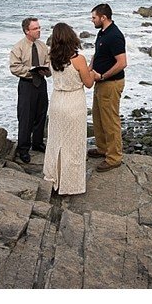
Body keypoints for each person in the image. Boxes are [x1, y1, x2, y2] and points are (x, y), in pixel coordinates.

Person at [44, 22, 94, 195]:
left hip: (57, 101)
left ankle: (53, 178)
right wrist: (91, 70)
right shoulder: (78, 59)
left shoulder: (52, 58)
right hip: (74, 103)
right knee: (73, 144)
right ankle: (71, 184)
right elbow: (88, 84)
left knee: (55, 142)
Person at [87, 3, 127, 172]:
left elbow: (122, 63)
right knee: (98, 117)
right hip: (100, 82)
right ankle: (103, 148)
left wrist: (102, 76)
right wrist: (90, 68)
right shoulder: (102, 33)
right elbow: (98, 54)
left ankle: (114, 157)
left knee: (110, 121)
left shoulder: (115, 36)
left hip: (110, 83)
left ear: (103, 18)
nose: (92, 20)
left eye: (94, 18)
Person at [9, 17, 51, 164]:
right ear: (27, 31)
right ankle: (23, 148)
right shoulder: (18, 47)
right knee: (26, 117)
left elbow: (48, 62)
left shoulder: (42, 46)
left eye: (39, 28)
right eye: (35, 28)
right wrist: (31, 71)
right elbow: (14, 67)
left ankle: (38, 143)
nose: (39, 30)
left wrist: (46, 70)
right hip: (27, 84)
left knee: (41, 114)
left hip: (41, 83)